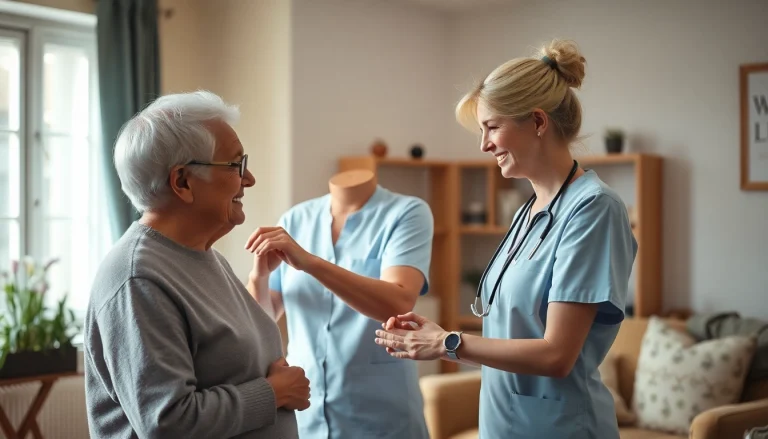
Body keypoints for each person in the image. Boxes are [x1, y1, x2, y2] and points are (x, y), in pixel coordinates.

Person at [374, 39, 638, 439]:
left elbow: (556, 355)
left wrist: (446, 342)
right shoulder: (525, 213)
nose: (484, 145)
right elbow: (510, 338)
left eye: (492, 127)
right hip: (502, 427)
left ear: (538, 122)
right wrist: (436, 334)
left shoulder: (594, 209)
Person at [83, 91, 308, 439]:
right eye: (236, 166)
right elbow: (167, 422)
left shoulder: (205, 257)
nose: (249, 179)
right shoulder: (138, 278)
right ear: (183, 181)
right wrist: (274, 393)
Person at [245, 169, 432, 439]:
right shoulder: (295, 219)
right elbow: (260, 322)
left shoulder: (407, 212)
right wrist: (259, 277)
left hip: (382, 416)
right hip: (304, 414)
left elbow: (398, 302)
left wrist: (310, 263)